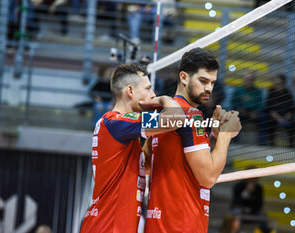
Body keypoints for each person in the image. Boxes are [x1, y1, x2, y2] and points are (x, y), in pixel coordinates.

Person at [144, 48, 242, 233]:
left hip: (159, 224)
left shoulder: (163, 114)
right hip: (183, 225)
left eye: (212, 83)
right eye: (203, 81)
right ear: (184, 77)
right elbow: (208, 178)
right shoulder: (191, 115)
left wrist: (213, 135)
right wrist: (225, 135)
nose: (209, 89)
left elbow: (148, 165)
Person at [80, 63, 185, 233]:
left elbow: (144, 166)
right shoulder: (117, 122)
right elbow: (177, 118)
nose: (153, 95)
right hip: (108, 228)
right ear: (130, 91)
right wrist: (165, 99)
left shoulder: (120, 127)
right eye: (148, 89)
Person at [231, 72, 265, 144]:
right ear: (244, 80)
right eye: (247, 79)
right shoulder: (238, 90)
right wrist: (239, 109)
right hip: (241, 112)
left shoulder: (258, 91)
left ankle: (262, 142)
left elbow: (260, 104)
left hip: (253, 113)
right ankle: (234, 141)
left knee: (264, 118)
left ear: (254, 81)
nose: (249, 81)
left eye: (251, 79)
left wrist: (255, 112)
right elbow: (233, 102)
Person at [265, 74, 295, 147]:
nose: (276, 86)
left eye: (278, 84)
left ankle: (291, 144)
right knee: (269, 122)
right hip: (275, 117)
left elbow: (292, 109)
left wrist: (287, 116)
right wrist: (279, 119)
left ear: (283, 84)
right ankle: (271, 143)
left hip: (285, 117)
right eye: (275, 84)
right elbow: (269, 109)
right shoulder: (271, 92)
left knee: (292, 123)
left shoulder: (288, 94)